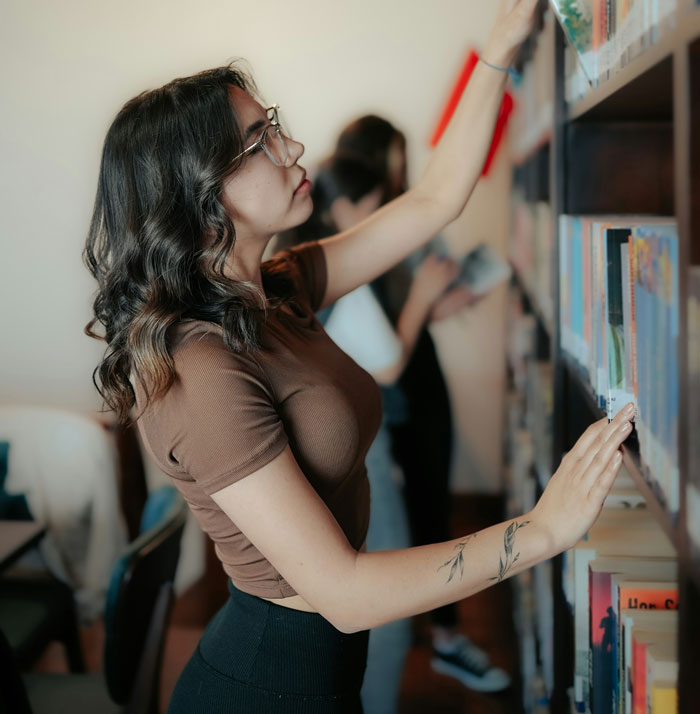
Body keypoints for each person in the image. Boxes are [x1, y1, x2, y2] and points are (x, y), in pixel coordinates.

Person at [83, 2, 634, 711]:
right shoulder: (201, 373)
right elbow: (341, 593)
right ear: (199, 196)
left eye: (274, 124)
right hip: (267, 684)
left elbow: (434, 200)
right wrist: (543, 531)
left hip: (325, 670)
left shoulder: (275, 291)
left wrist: (498, 48)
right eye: (261, 142)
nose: (294, 147)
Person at [278, 154, 467, 714]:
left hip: (330, 453)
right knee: (388, 609)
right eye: (370, 205)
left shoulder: (290, 270)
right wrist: (423, 295)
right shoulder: (325, 278)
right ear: (342, 207)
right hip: (362, 453)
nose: (377, 216)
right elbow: (387, 363)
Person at [334, 115, 511, 690]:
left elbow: (423, 300)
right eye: (392, 161)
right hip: (386, 377)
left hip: (415, 374)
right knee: (392, 513)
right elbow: (384, 343)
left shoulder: (402, 211)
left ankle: (442, 633)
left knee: (430, 498)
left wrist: (450, 293)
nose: (400, 172)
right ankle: (423, 631)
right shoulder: (349, 226)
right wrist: (429, 297)